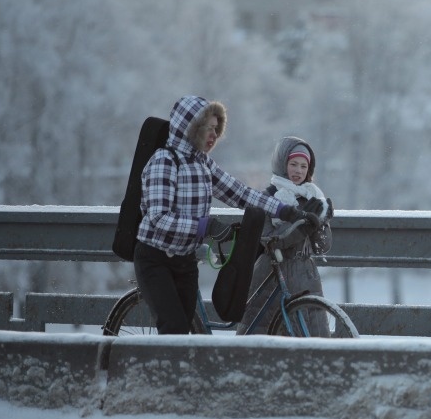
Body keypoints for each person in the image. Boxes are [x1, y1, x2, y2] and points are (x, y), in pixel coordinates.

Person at [134, 95, 308, 334]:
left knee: (185, 332)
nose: (214, 135)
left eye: (217, 129)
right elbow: (159, 218)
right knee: (174, 328)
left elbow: (240, 193)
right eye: (208, 128)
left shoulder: (203, 163)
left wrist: (285, 210)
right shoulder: (164, 162)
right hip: (155, 258)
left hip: (185, 260)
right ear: (190, 128)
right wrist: (205, 226)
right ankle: (147, 359)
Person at [237, 136, 334, 336]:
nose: (298, 171)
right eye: (293, 164)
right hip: (273, 276)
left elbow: (321, 247)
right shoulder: (268, 198)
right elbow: (270, 241)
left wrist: (322, 222)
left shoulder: (312, 197)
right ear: (282, 164)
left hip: (307, 278)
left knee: (314, 342)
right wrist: (303, 225)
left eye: (303, 166)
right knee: (264, 338)